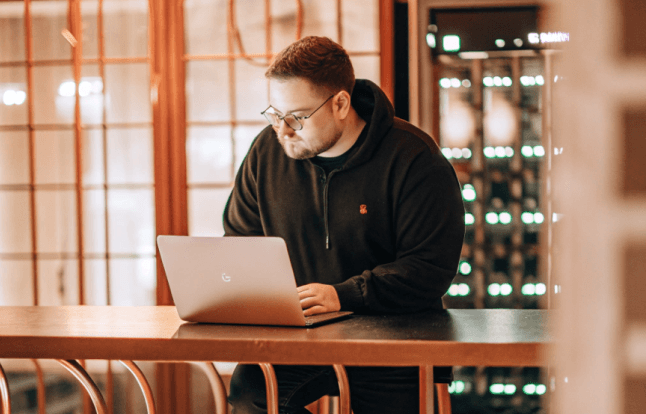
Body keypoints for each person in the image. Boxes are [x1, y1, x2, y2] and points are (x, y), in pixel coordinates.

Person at [223, 36, 465, 414]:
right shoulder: (266, 153)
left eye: (297, 117)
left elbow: (429, 269)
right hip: (298, 336)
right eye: (274, 114)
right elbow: (240, 241)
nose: (283, 130)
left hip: (396, 336)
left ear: (340, 104)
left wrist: (344, 295)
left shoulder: (414, 159)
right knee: (251, 396)